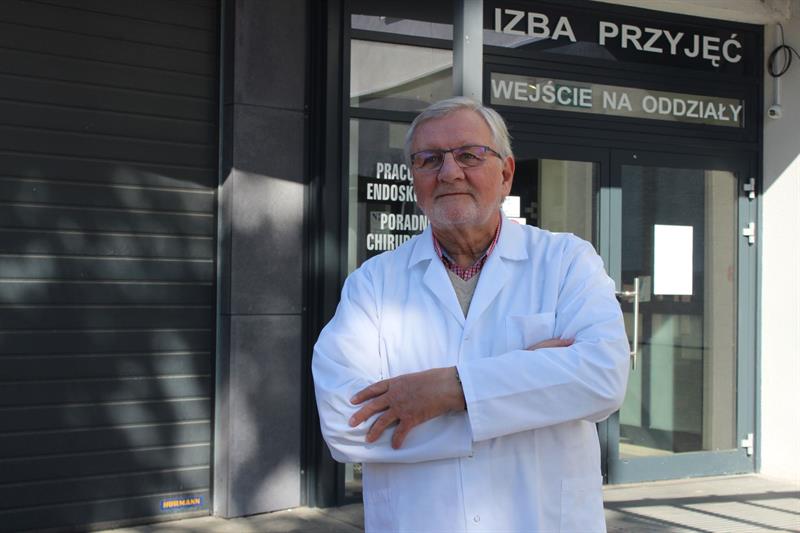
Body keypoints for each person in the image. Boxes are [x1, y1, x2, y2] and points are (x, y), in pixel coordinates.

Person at [312, 97, 630, 532]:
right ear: (414, 179)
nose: (449, 172)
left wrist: (449, 390)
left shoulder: (566, 262)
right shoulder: (373, 283)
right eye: (429, 159)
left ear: (506, 174)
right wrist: (531, 384)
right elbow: (343, 423)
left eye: (469, 155)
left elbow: (602, 377)